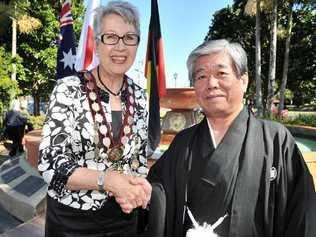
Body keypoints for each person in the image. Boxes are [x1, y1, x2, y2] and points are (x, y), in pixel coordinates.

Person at [147, 39, 314, 237]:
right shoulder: (183, 142)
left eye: (221, 74)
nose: (211, 84)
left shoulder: (276, 140)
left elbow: (302, 214)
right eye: (201, 76)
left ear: (243, 81)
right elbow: (157, 191)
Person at [38, 1, 151, 236]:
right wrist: (107, 180)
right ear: (97, 44)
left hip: (123, 218)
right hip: (72, 220)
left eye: (129, 37)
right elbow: (50, 163)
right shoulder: (68, 88)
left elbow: (137, 161)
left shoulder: (140, 96)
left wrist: (137, 189)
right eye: (110, 37)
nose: (120, 46)